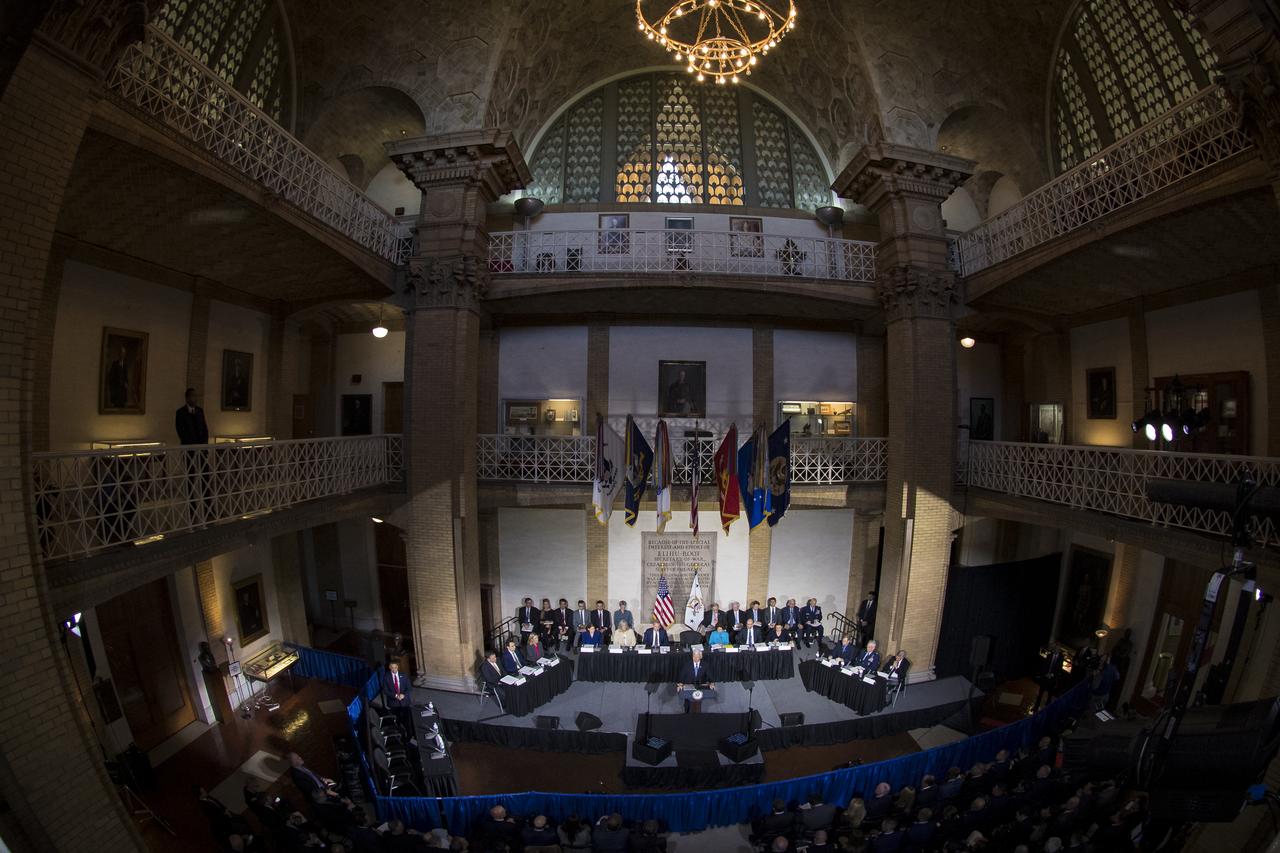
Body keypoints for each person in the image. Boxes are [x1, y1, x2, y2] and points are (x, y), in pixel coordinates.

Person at [382, 661, 412, 731]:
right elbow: (385, 690)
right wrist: (395, 695)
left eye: (395, 667)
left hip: (404, 702)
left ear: (397, 667)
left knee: (407, 719)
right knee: (397, 719)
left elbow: (409, 688)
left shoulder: (404, 675)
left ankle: (408, 733)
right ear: (390, 668)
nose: (394, 669)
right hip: (393, 703)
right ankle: (399, 732)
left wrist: (403, 695)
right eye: (392, 668)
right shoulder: (386, 677)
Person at [1034, 644, 1064, 711]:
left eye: (1057, 649)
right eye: (1055, 648)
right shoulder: (1049, 655)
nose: (1055, 650)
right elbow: (1044, 666)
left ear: (1059, 650)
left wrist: (1052, 675)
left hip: (1052, 679)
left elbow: (1059, 669)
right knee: (1040, 693)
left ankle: (1047, 709)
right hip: (1045, 677)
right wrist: (1045, 674)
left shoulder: (1061, 658)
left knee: (1050, 695)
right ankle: (1036, 706)